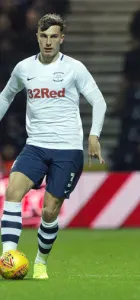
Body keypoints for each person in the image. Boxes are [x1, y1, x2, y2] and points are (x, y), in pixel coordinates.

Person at [0, 13, 107, 279]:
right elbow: (6, 96)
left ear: (62, 38)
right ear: (37, 37)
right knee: (13, 191)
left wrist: (94, 135)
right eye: (44, 36)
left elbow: (99, 101)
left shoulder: (74, 68)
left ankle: (40, 262)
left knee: (49, 210)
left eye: (53, 37)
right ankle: (8, 257)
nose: (48, 42)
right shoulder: (24, 68)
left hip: (67, 149)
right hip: (35, 145)